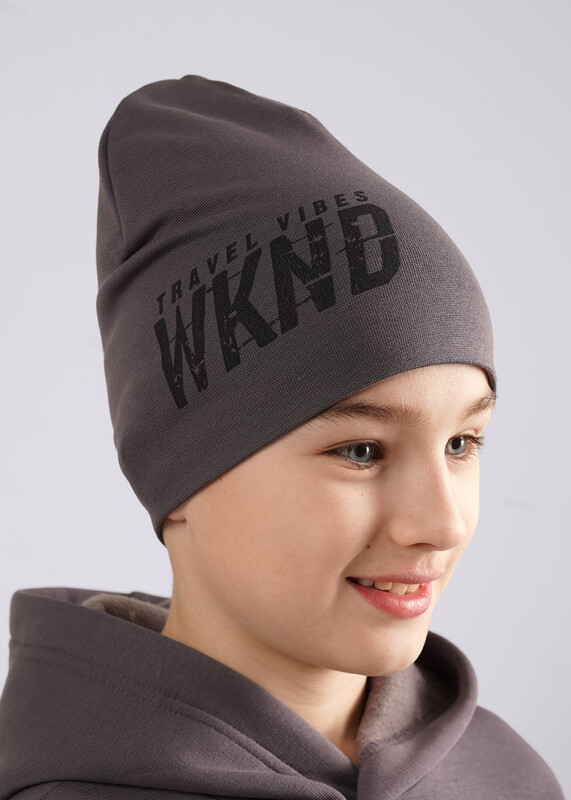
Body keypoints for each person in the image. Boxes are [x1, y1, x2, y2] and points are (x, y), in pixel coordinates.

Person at [0, 76, 563, 800]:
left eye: (462, 443)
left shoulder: (509, 777)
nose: (442, 523)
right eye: (361, 451)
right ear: (183, 475)